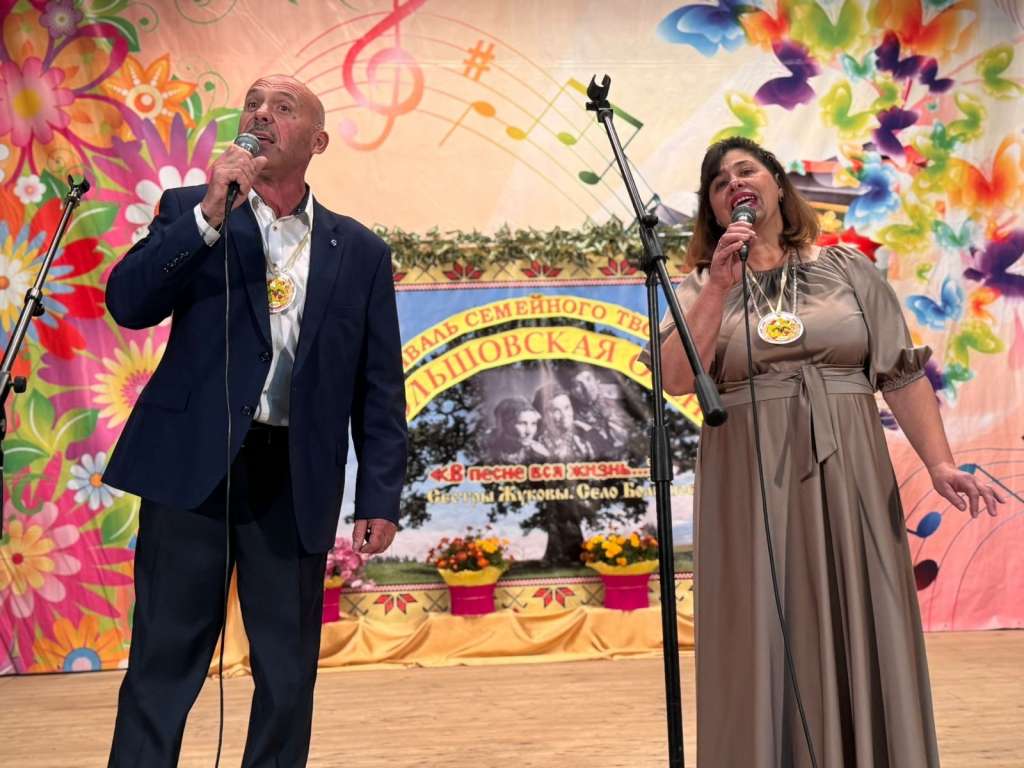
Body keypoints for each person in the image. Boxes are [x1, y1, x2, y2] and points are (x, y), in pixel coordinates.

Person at [654, 136, 1004, 767]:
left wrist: (940, 463)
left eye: (746, 170)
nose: (734, 184)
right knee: (762, 619)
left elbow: (899, 374)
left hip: (850, 467)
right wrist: (718, 287)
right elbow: (677, 378)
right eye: (719, 182)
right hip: (748, 476)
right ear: (712, 209)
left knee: (859, 609)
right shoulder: (702, 285)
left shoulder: (849, 271)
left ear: (777, 184)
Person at [102, 75, 408, 767]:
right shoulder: (194, 209)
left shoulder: (359, 251)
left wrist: (379, 496)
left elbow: (380, 387)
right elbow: (128, 302)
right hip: (193, 470)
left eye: (283, 108)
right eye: (253, 104)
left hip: (293, 477)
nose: (261, 114)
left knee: (287, 675)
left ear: (318, 142)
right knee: (162, 665)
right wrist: (209, 213)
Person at [566, 366, 629, 458]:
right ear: (572, 392)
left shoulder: (618, 398)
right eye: (578, 384)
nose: (586, 387)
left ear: (596, 380)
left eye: (588, 379)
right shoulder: (572, 417)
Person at [532, 382, 594, 462]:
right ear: (542, 415)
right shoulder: (537, 447)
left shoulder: (586, 433)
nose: (564, 415)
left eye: (567, 407)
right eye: (555, 410)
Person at [484, 396, 549, 464]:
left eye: (533, 423)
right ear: (506, 424)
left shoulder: (537, 453)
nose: (529, 432)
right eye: (522, 423)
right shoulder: (487, 451)